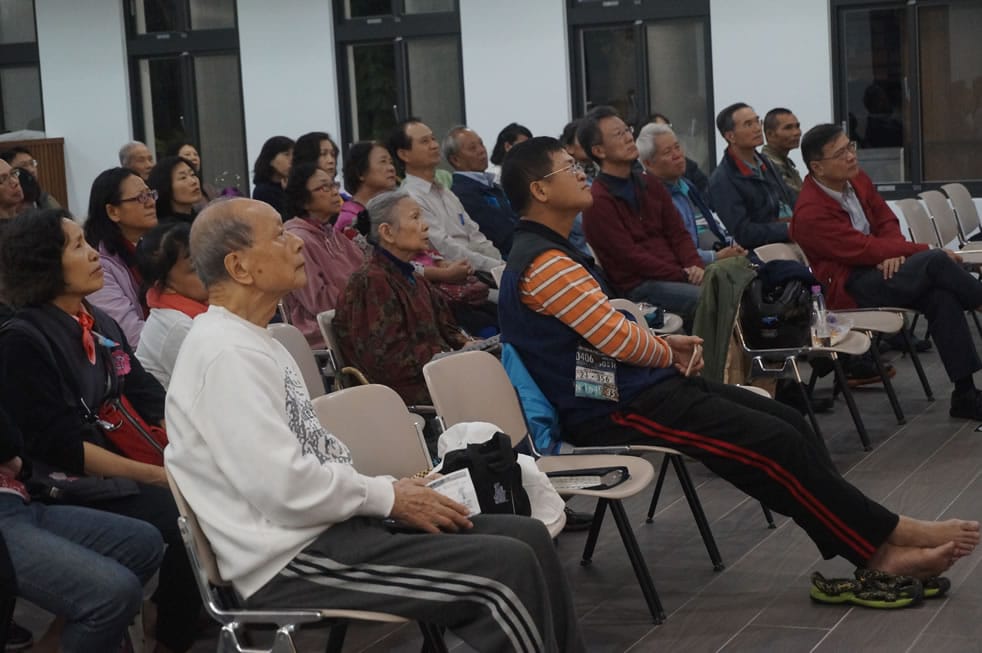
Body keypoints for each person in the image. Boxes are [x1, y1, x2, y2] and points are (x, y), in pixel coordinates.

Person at [497, 135, 980, 585]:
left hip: (639, 390)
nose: (581, 173)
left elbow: (610, 334)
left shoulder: (553, 253)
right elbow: (618, 341)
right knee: (774, 443)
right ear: (540, 190)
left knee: (787, 422)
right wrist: (665, 348)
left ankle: (884, 532)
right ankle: (880, 549)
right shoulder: (544, 263)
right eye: (569, 167)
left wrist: (662, 348)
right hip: (612, 407)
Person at [164, 197, 584, 653]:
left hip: (329, 528)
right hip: (289, 559)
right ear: (239, 266)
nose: (296, 244)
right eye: (279, 236)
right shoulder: (225, 356)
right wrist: (389, 497)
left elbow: (311, 462)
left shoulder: (255, 340)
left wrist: (389, 490)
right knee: (504, 569)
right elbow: (285, 489)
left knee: (526, 534)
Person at [0, 209, 203, 653]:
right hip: (61, 480)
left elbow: (146, 393)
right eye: (78, 246)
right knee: (185, 512)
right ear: (44, 263)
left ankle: (170, 619)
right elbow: (61, 447)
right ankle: (170, 634)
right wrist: (158, 474)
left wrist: (185, 449)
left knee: (204, 490)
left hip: (114, 462)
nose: (94, 254)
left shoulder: (98, 322)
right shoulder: (23, 340)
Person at [791, 123, 982, 419]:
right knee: (935, 260)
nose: (851, 156)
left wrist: (893, 251)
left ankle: (965, 395)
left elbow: (885, 219)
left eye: (850, 146)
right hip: (849, 285)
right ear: (817, 167)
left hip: (879, 268)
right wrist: (906, 250)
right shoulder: (810, 213)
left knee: (940, 296)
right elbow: (859, 248)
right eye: (840, 153)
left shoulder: (856, 179)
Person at [0, 404, 164, 652]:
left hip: (19, 495)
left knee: (143, 542)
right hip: (19, 498)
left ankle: (59, 641)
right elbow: (21, 441)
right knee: (114, 594)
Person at [334, 189, 470, 405]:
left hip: (437, 373)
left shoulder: (412, 276)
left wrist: (468, 344)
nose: (425, 225)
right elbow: (387, 360)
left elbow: (447, 329)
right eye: (415, 217)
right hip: (404, 395)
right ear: (387, 232)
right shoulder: (371, 281)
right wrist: (446, 355)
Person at [578, 106, 704, 329]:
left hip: (675, 274)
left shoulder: (649, 183)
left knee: (734, 283)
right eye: (619, 134)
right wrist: (682, 274)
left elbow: (678, 233)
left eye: (627, 130)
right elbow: (630, 257)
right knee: (708, 297)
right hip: (639, 287)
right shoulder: (598, 200)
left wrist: (694, 264)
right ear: (599, 150)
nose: (629, 137)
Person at [390, 119, 503, 273]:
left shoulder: (446, 192)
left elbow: (475, 235)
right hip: (456, 274)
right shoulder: (410, 198)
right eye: (424, 141)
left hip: (483, 269)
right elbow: (445, 249)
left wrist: (500, 264)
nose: (434, 145)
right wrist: (497, 267)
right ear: (404, 154)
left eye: (433, 138)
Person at [636, 122, 745, 265]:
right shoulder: (649, 196)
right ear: (648, 163)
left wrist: (732, 245)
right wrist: (716, 256)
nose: (678, 155)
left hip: (721, 254)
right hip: (698, 267)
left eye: (677, 147)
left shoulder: (686, 185)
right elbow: (672, 252)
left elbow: (712, 225)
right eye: (667, 152)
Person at [281, 163, 365, 348]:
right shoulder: (297, 240)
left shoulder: (333, 234)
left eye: (334, 185)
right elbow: (318, 302)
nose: (335, 192)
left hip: (356, 318)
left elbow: (366, 273)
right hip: (323, 331)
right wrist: (364, 300)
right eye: (324, 188)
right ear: (303, 199)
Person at [84, 167, 159, 347]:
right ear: (113, 211)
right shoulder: (98, 264)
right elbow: (130, 334)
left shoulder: (152, 246)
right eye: (141, 198)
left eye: (150, 194)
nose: (151, 203)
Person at [708, 102, 798, 250]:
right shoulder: (722, 179)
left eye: (757, 121)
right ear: (730, 136)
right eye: (748, 124)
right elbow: (743, 233)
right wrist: (789, 229)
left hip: (790, 236)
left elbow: (790, 199)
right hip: (764, 249)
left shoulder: (765, 162)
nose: (757, 128)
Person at [134, 221, 209, 389]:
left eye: (206, 259)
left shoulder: (198, 306)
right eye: (194, 269)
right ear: (165, 285)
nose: (209, 271)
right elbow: (215, 386)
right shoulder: (177, 326)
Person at [446, 126, 520, 257]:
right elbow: (500, 234)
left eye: (481, 144)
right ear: (455, 160)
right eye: (472, 148)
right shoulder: (462, 194)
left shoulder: (494, 186)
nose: (481, 150)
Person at [336, 141, 398, 239]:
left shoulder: (389, 212)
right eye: (383, 162)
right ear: (360, 173)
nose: (391, 168)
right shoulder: (349, 220)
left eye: (391, 162)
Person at [646, 112, 711, 197]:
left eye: (669, 129)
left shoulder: (684, 163)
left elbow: (707, 189)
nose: (668, 134)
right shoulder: (643, 178)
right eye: (662, 131)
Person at [761, 108, 804, 194]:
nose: (797, 132)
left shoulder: (785, 164)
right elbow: (796, 196)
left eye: (797, 126)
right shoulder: (767, 166)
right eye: (788, 128)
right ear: (770, 134)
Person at [148, 156, 203, 224]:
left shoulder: (200, 218)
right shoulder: (169, 227)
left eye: (192, 174)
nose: (193, 181)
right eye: (183, 177)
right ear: (166, 186)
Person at [251, 136, 294, 220]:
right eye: (287, 154)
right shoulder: (263, 191)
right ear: (271, 160)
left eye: (294, 155)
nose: (292, 159)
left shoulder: (294, 185)